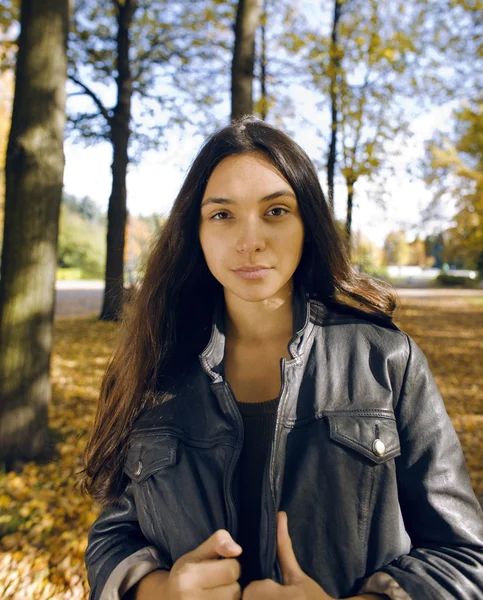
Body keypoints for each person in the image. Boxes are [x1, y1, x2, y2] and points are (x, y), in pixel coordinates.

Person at [79, 116, 483, 600]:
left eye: (275, 211)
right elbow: (112, 535)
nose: (250, 239)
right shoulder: (153, 366)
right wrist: (161, 590)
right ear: (197, 232)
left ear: (307, 225)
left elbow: (463, 555)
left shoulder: (386, 358)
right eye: (222, 215)